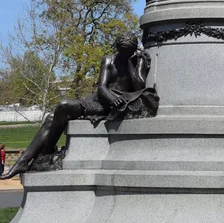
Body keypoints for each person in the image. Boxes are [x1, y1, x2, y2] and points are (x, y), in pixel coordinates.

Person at [1, 33, 159, 179]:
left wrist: (131, 63)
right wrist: (111, 98)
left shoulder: (137, 60)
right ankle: (28, 159)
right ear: (117, 48)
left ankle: (38, 155)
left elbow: (139, 86)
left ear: (132, 50)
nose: (124, 55)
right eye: (122, 52)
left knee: (60, 109)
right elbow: (102, 87)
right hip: (102, 99)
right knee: (55, 114)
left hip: (116, 106)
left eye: (128, 52)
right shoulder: (109, 60)